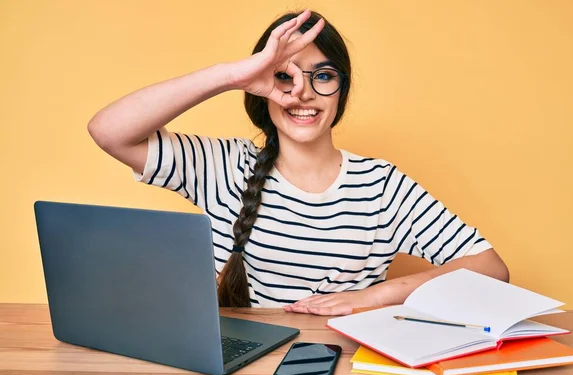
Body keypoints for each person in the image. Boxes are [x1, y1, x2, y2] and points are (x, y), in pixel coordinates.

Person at [87, 9, 509, 315]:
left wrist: (374, 296)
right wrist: (231, 75)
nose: (302, 93)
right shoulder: (223, 166)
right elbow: (109, 131)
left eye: (322, 76)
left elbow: (489, 268)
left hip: (343, 368)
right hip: (242, 371)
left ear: (341, 89)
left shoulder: (381, 185)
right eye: (284, 76)